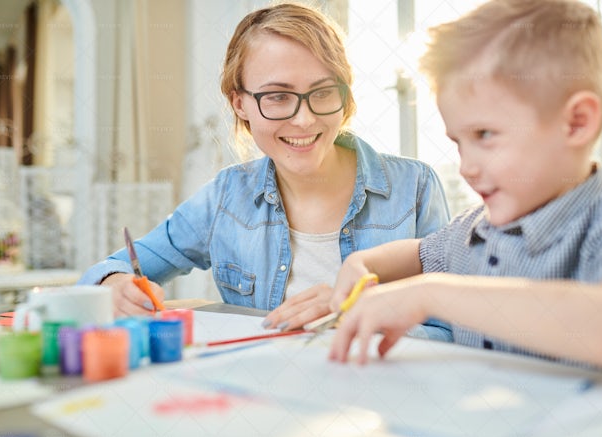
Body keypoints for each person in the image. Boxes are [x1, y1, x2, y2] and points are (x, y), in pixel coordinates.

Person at [78, 2, 451, 336]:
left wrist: (353, 316)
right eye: (277, 96)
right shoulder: (225, 197)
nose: (304, 119)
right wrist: (114, 284)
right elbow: (111, 269)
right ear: (239, 103)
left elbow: (452, 330)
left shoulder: (414, 188)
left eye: (322, 92)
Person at [327, 0, 602, 372]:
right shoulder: (475, 227)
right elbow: (418, 252)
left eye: (485, 134)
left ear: (576, 122)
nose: (466, 167)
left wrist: (432, 293)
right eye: (459, 142)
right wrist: (360, 263)